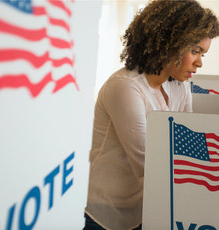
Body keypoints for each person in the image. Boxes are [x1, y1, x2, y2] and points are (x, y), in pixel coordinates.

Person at [83, 1, 219, 230]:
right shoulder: (126, 87)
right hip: (104, 213)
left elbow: (182, 146)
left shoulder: (180, 85)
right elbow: (152, 166)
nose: (199, 63)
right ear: (169, 43)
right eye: (195, 51)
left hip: (146, 207)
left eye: (203, 54)